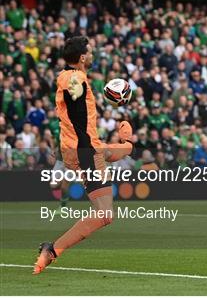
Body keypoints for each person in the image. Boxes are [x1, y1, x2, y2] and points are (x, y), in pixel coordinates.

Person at [33, 36, 134, 274]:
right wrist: (76, 88)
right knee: (105, 214)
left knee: (115, 151)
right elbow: (73, 85)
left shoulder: (67, 75)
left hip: (81, 149)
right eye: (90, 52)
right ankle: (52, 250)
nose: (92, 54)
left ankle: (127, 143)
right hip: (84, 151)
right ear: (82, 57)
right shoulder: (74, 78)